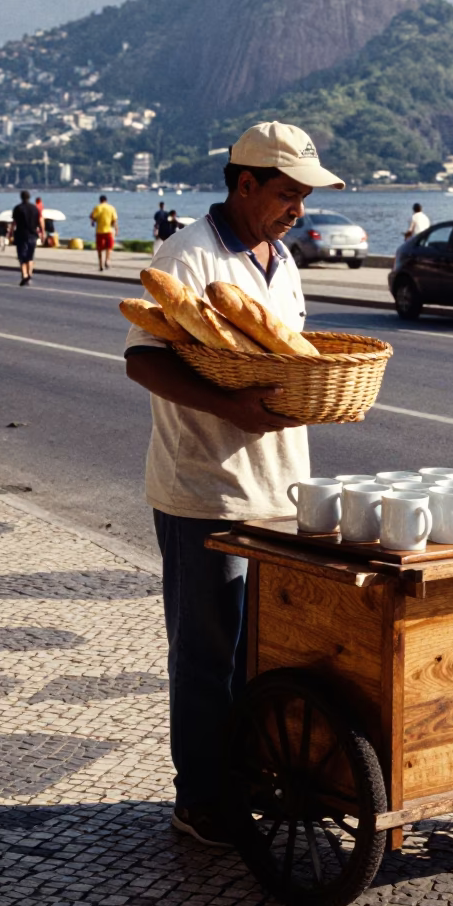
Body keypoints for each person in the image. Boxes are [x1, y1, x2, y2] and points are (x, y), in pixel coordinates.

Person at [124, 121, 344, 846]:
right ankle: (201, 798)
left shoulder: (280, 259)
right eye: (288, 194)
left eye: (306, 196)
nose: (299, 210)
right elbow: (143, 362)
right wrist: (229, 409)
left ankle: (248, 776)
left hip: (283, 491)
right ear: (244, 182)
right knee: (207, 654)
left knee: (264, 655)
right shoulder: (187, 255)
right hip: (207, 491)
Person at [10, 190, 43, 286]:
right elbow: (40, 221)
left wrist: (10, 233)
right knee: (30, 256)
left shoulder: (17, 208)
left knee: (22, 256)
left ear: (21, 197)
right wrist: (42, 232)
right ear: (29, 197)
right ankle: (30, 274)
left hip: (21, 234)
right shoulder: (35, 209)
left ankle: (24, 275)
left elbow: (14, 223)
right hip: (33, 234)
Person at [90, 194, 118, 270]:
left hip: (99, 231)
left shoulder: (97, 207)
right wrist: (116, 229)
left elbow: (93, 217)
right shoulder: (111, 208)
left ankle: (100, 264)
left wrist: (92, 222)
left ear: (100, 200)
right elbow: (114, 220)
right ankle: (107, 260)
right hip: (109, 230)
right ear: (106, 200)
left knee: (99, 248)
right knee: (109, 247)